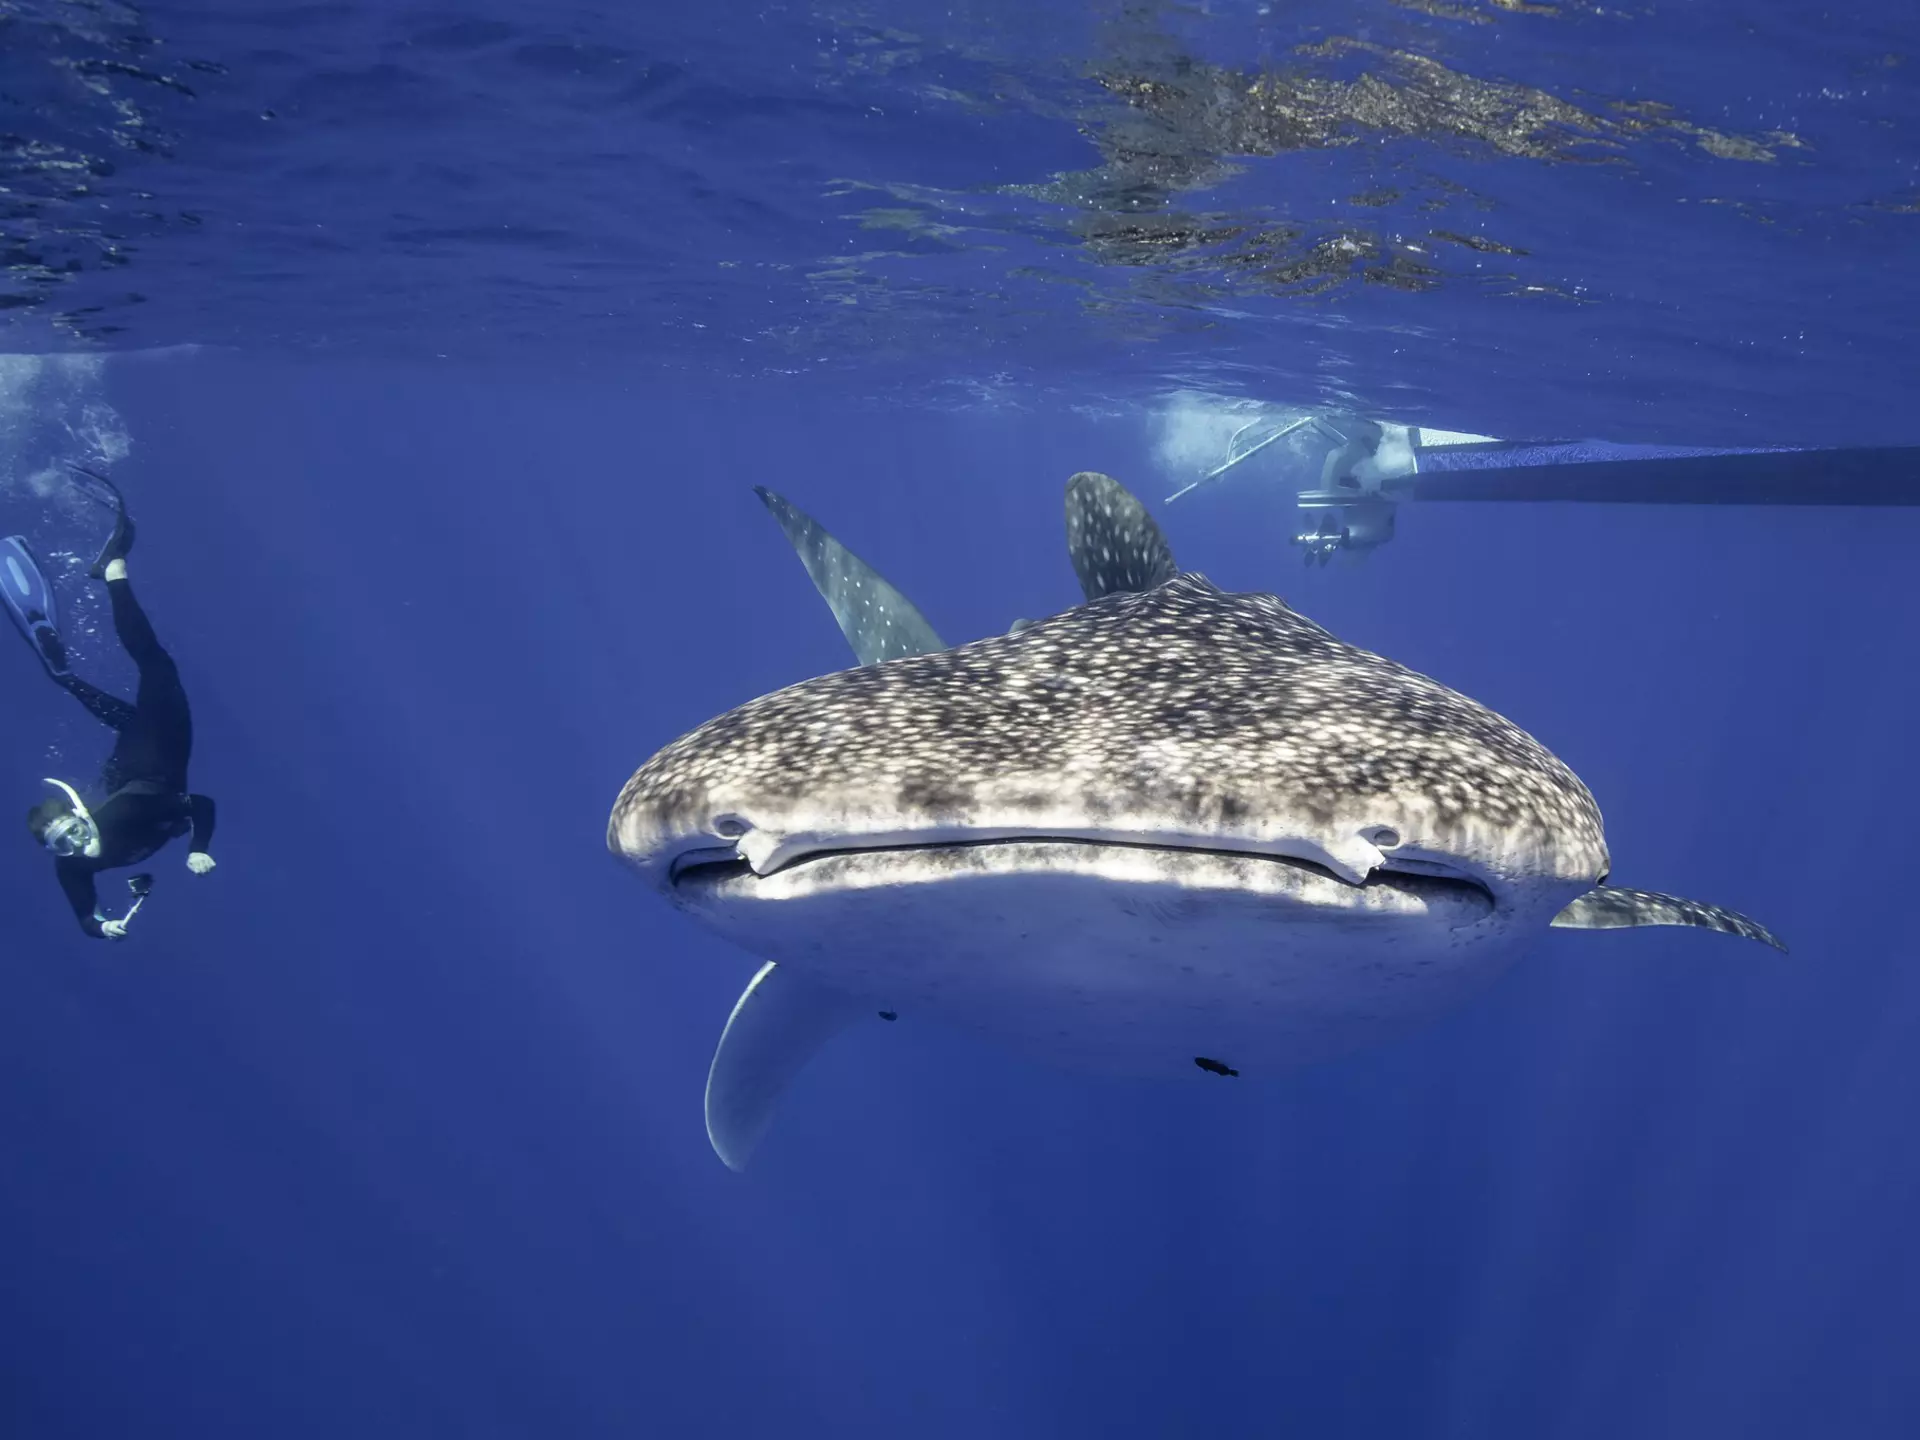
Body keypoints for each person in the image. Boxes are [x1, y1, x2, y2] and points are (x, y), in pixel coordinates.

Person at [5, 469, 216, 939]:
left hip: (158, 751)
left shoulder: (124, 815)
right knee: (127, 712)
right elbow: (85, 917)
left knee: (157, 667)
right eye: (64, 845)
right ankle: (64, 676)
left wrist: (198, 848)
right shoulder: (72, 870)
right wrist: (104, 926)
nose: (77, 845)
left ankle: (113, 570)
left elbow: (200, 804)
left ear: (80, 817)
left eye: (72, 833)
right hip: (136, 751)